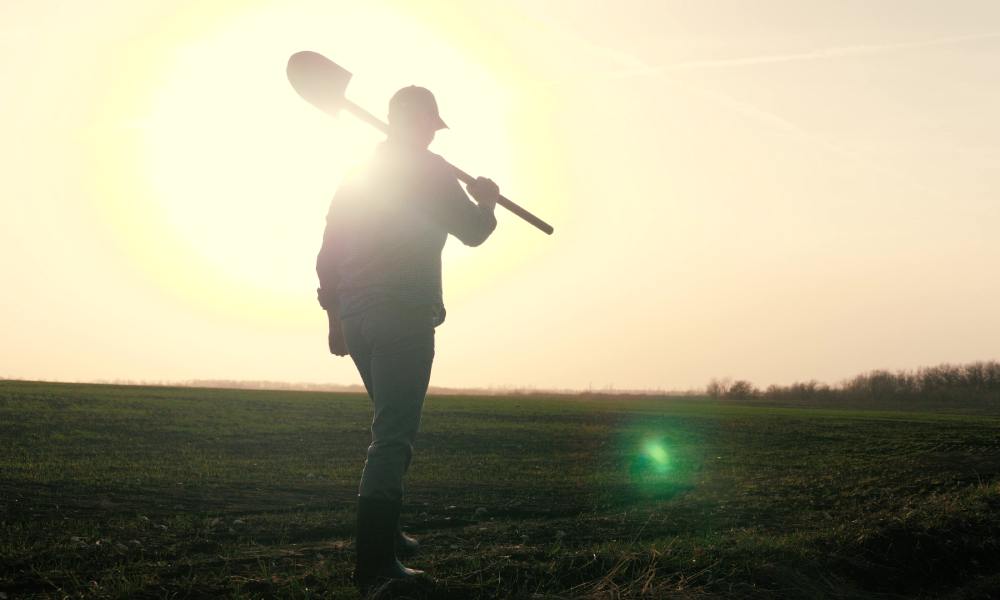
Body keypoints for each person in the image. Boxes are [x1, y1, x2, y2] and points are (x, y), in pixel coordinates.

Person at [315, 85, 499, 591]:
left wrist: (335, 318)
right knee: (393, 436)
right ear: (421, 124)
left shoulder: (359, 173)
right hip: (402, 316)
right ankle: (374, 570)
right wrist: (485, 203)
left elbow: (329, 251)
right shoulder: (433, 173)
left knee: (388, 427)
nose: (427, 134)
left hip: (357, 318)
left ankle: (389, 538)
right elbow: (473, 232)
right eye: (427, 125)